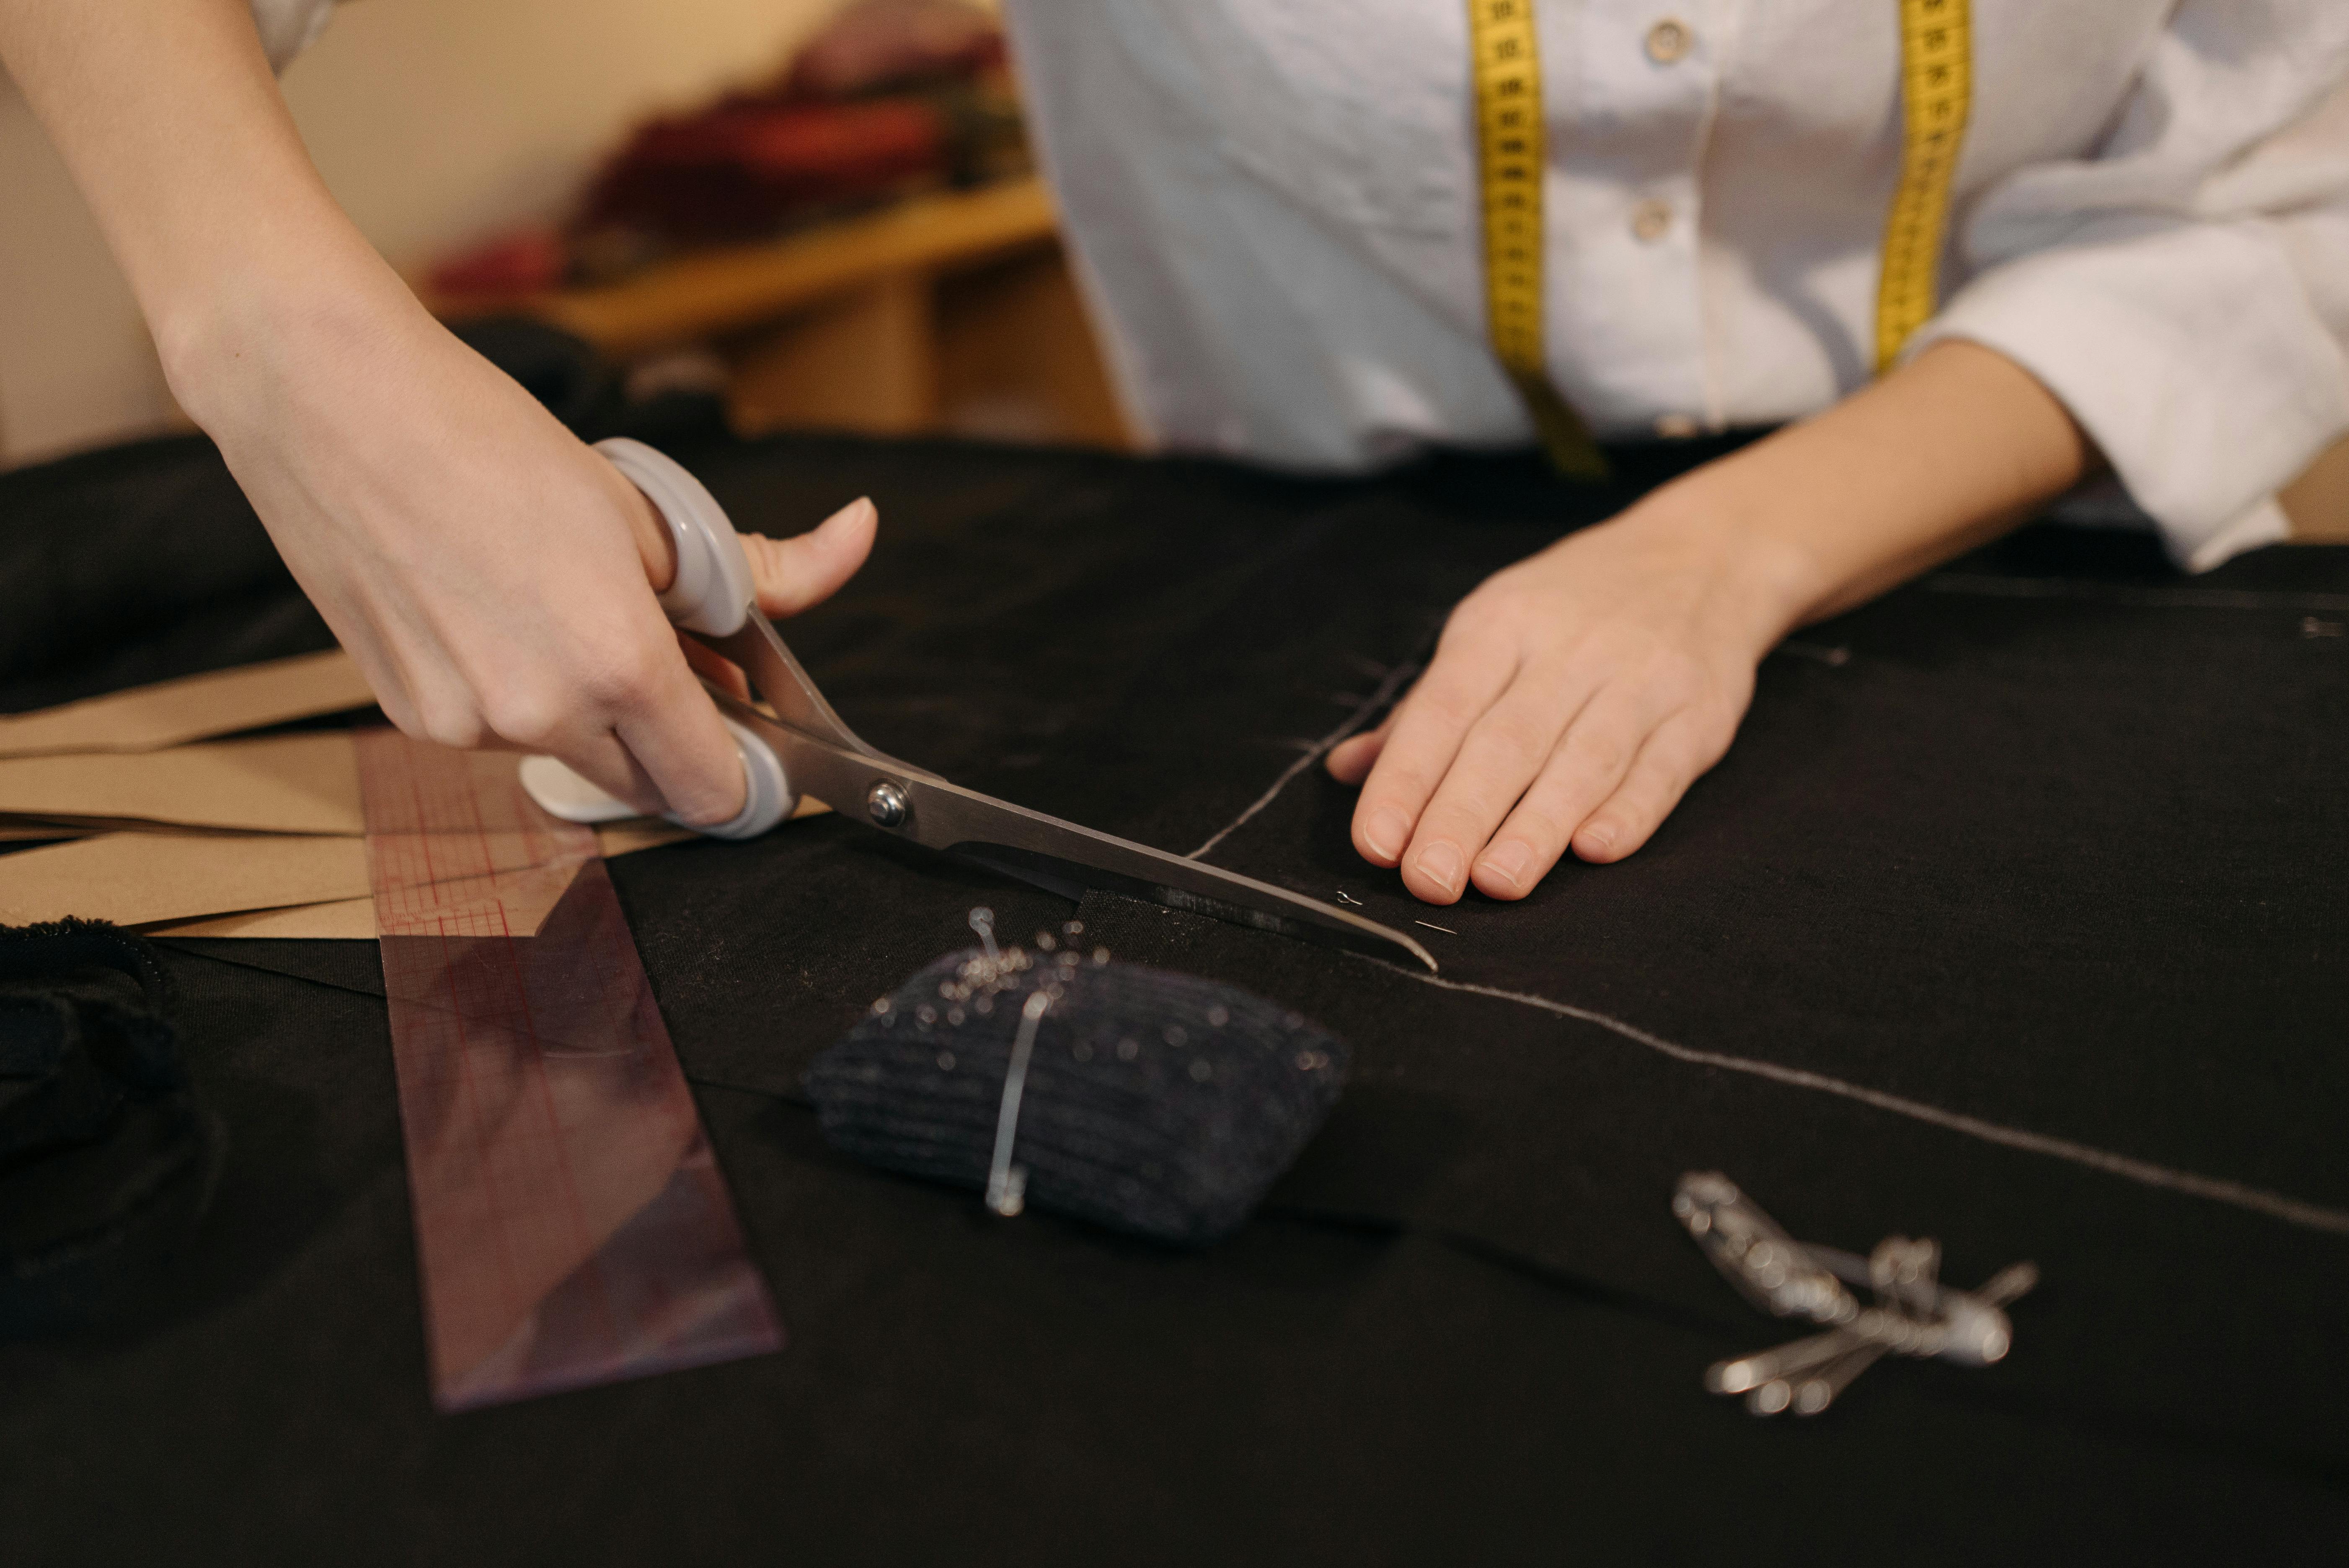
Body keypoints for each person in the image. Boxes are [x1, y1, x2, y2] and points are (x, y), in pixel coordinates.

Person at [3, 1, 2344, 909]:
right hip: (1288, 557)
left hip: (2012, 525)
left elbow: (2272, 188)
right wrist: (291, 335)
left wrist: (1725, 556)